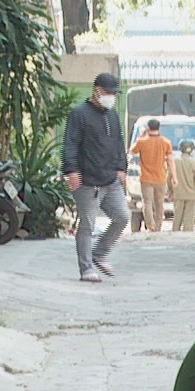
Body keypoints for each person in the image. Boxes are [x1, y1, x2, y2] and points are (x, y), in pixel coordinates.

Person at [63, 72, 128, 283]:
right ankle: (86, 268)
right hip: (87, 180)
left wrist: (121, 168)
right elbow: (70, 144)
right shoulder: (79, 114)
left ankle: (99, 253)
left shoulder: (113, 115)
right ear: (97, 91)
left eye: (114, 94)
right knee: (87, 225)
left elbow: (118, 143)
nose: (112, 97)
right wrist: (71, 171)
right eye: (109, 93)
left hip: (110, 178)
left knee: (122, 216)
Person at [132, 117, 173, 234]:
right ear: (159, 128)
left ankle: (151, 226)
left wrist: (141, 137)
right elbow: (170, 161)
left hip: (145, 178)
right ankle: (158, 227)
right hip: (160, 178)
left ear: (148, 128)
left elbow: (132, 152)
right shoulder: (166, 142)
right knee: (159, 203)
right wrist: (173, 176)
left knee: (147, 203)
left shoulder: (142, 142)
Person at [170, 138, 195, 234]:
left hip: (178, 194)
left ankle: (175, 234)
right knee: (189, 218)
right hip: (191, 195)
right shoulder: (194, 163)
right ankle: (187, 236)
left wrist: (170, 191)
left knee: (177, 216)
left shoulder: (175, 162)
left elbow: (170, 178)